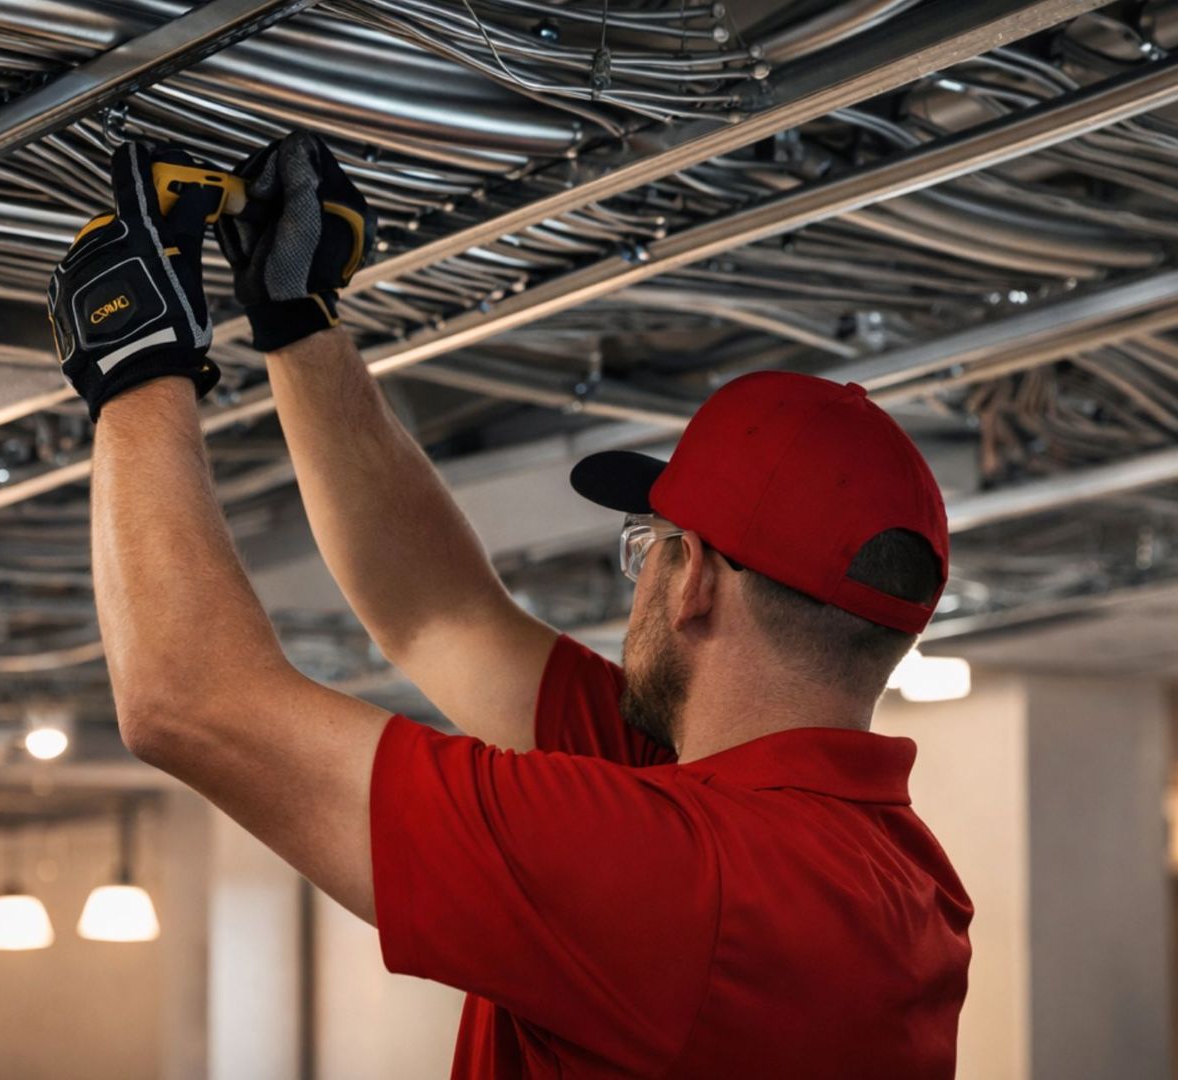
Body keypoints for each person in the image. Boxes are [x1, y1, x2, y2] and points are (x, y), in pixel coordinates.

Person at [48, 132, 973, 1078]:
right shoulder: (864, 867)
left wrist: (134, 366)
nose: (641, 581)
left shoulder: (686, 881)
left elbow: (187, 700)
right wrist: (298, 322)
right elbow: (437, 614)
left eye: (647, 551)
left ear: (693, 576)